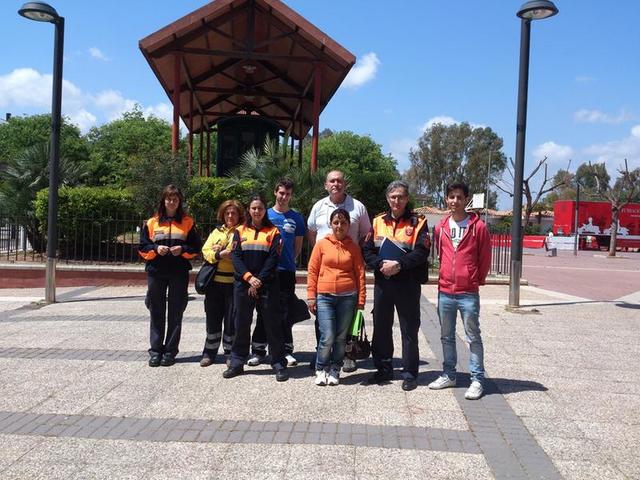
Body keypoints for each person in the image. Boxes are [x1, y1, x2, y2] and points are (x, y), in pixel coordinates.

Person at [362, 180, 430, 391]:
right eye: (393, 197)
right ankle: (383, 368)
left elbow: (421, 252)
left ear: (407, 198)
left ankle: (410, 373)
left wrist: (399, 264)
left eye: (400, 196)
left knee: (409, 329)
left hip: (407, 283)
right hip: (384, 282)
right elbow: (367, 251)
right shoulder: (377, 222)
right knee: (381, 327)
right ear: (387, 199)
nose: (397, 201)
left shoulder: (418, 222)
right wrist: (381, 264)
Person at [428, 182, 491, 400]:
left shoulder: (478, 227)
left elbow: (484, 257)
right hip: (445, 290)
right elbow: (441, 252)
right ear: (446, 199)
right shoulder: (441, 227)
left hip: (468, 292)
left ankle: (477, 379)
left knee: (473, 336)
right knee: (446, 336)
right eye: (451, 197)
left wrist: (476, 278)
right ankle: (449, 374)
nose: (455, 201)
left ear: (466, 200)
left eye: (459, 197)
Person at [307, 169, 371, 372]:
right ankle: (322, 355)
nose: (336, 184)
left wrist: (354, 253)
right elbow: (311, 233)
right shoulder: (318, 206)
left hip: (348, 272)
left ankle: (347, 355)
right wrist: (323, 250)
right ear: (326, 185)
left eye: (339, 181)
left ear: (345, 184)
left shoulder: (358, 207)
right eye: (332, 181)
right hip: (325, 275)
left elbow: (366, 234)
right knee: (324, 323)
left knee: (345, 322)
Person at [223, 194, 289, 382]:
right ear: (248, 210)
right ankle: (237, 362)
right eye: (253, 208)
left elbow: (273, 258)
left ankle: (278, 363)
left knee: (272, 324)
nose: (257, 211)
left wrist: (259, 279)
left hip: (267, 283)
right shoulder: (239, 231)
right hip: (243, 284)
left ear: (264, 210)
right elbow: (236, 257)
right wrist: (249, 278)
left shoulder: (273, 231)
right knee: (241, 323)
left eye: (260, 208)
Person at [139, 184, 202, 367]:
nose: (172, 202)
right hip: (156, 271)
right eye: (169, 198)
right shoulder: (151, 222)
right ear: (163, 200)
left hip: (178, 272)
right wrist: (156, 248)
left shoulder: (188, 222)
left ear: (179, 201)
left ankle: (170, 351)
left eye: (175, 199)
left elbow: (196, 248)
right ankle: (156, 350)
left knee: (176, 311)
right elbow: (142, 248)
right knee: (156, 310)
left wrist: (182, 249)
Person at [247, 179, 306, 367]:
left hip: (286, 271)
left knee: (285, 312)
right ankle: (258, 350)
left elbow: (297, 247)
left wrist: (287, 261)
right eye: (281, 193)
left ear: (291, 195)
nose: (284, 196)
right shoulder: (266, 215)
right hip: (264, 272)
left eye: (288, 194)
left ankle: (285, 350)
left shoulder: (296, 218)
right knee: (263, 311)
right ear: (275, 192)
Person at [307, 208, 366, 386]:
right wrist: (311, 296)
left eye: (343, 222)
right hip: (324, 296)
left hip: (348, 297)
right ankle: (321, 368)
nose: (339, 226)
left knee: (341, 337)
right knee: (328, 335)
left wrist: (361, 300)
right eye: (336, 222)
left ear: (349, 225)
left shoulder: (354, 248)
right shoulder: (321, 245)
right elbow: (312, 270)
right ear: (330, 224)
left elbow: (360, 274)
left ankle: (335, 368)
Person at [199, 200, 245, 367]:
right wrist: (219, 255)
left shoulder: (242, 231)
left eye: (234, 213)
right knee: (213, 318)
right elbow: (206, 251)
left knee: (232, 320)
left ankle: (230, 352)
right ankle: (209, 352)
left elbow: (242, 254)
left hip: (234, 283)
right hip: (214, 283)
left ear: (239, 215)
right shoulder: (216, 231)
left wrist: (230, 255)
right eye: (227, 213)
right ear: (223, 215)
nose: (230, 216)